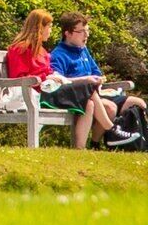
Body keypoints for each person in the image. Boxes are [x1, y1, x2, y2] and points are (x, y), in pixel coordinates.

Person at [41, 15, 126, 146]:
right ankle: (111, 130)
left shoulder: (83, 50)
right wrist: (86, 80)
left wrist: (98, 81)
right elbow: (58, 80)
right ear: (68, 33)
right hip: (67, 97)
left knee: (128, 104)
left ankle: (93, 145)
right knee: (99, 102)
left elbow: (95, 72)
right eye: (81, 31)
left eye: (87, 31)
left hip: (92, 95)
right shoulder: (58, 54)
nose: (86, 35)